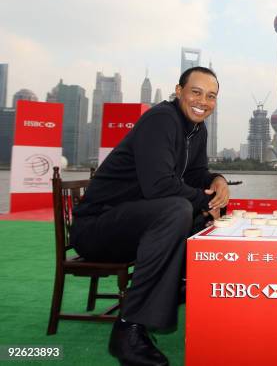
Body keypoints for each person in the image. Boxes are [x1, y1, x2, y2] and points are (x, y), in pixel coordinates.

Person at [71, 66, 229, 365]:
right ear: (179, 91)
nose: (203, 101)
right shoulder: (161, 120)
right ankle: (128, 330)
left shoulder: (196, 128)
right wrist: (204, 201)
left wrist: (216, 181)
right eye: (196, 92)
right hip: (97, 228)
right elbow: (158, 187)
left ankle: (175, 284)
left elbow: (195, 174)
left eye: (211, 96)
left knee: (203, 214)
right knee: (177, 209)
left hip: (136, 223)